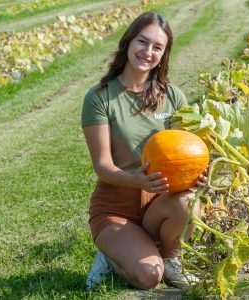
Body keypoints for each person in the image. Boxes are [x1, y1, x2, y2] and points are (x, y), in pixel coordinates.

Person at [81, 11, 206, 291]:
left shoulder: (173, 97)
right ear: (128, 42)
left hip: (159, 204)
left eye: (157, 47)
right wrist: (136, 180)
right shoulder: (100, 97)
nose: (148, 52)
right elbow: (102, 166)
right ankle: (111, 256)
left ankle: (171, 258)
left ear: (163, 55)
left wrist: (198, 175)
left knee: (188, 201)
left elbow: (189, 152)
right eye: (142, 41)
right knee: (148, 277)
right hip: (115, 209)